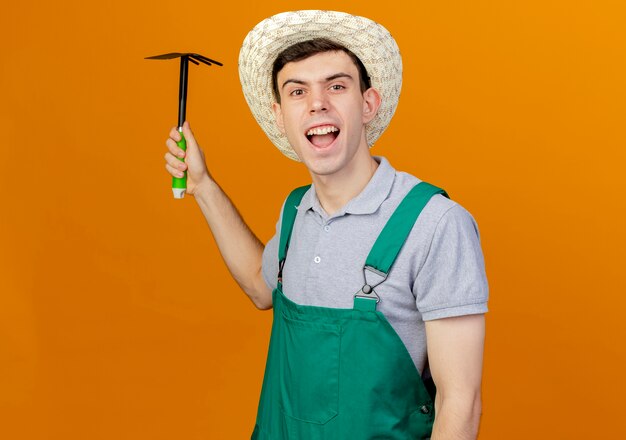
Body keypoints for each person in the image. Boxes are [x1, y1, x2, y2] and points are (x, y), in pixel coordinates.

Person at [163, 10, 488, 440]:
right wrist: (203, 185)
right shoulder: (296, 211)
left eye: (336, 86)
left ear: (368, 103)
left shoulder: (435, 224)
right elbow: (262, 290)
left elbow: (460, 403)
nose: (317, 103)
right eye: (297, 91)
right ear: (281, 116)